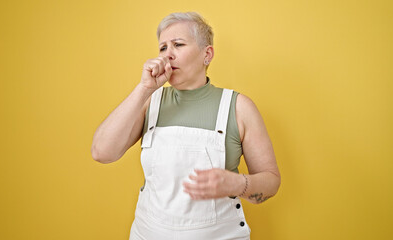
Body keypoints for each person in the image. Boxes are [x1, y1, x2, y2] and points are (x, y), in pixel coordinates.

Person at [91, 12, 281, 240]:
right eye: (162, 48)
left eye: (177, 45)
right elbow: (102, 152)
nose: (167, 55)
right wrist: (144, 88)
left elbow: (271, 181)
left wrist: (237, 183)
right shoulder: (150, 102)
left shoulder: (238, 107)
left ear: (207, 54)